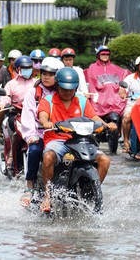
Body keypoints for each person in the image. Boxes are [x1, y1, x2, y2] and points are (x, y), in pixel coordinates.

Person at [38, 67, 117, 212]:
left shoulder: (81, 100)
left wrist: (105, 125)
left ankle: (92, 192)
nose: (68, 92)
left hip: (80, 140)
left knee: (105, 160)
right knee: (48, 157)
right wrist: (46, 123)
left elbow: (93, 117)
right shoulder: (47, 100)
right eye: (64, 89)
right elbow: (43, 115)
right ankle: (47, 196)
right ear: (58, 86)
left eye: (71, 89)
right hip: (58, 140)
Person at [20, 57, 64, 207]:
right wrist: (31, 135)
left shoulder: (65, 91)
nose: (46, 76)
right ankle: (29, 186)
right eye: (44, 73)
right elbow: (27, 115)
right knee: (34, 151)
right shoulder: (34, 92)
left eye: (51, 74)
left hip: (60, 135)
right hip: (40, 134)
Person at [86, 45, 129, 152]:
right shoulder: (92, 67)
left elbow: (124, 74)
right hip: (100, 98)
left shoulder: (115, 68)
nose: (105, 56)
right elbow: (92, 82)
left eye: (107, 54)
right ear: (98, 55)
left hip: (114, 100)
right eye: (103, 54)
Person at [0, 55, 37, 142]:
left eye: (29, 67)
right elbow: (6, 97)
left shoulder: (37, 83)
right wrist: (2, 104)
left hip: (33, 115)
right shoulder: (11, 84)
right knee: (13, 130)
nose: (27, 70)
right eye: (24, 68)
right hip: (16, 114)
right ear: (17, 69)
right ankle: (11, 152)